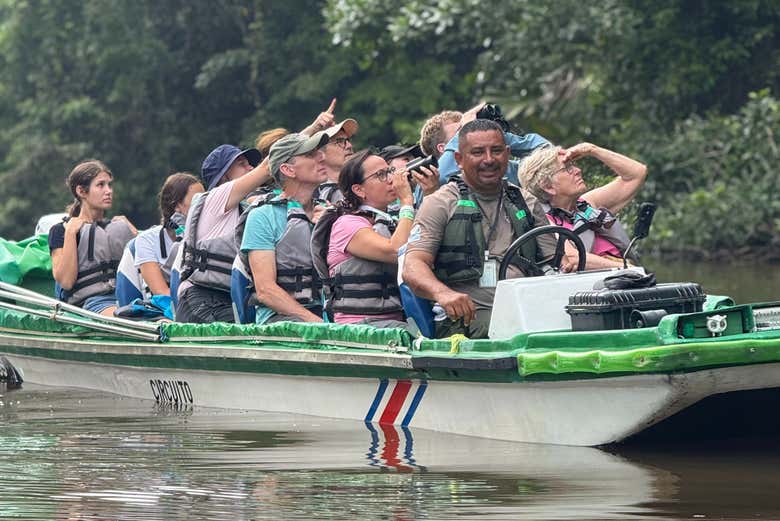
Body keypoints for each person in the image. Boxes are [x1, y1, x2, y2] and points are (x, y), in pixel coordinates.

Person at [402, 120, 556, 339]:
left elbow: (555, 261)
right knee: (518, 333)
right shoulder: (440, 202)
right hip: (469, 319)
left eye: (496, 151)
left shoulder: (525, 200)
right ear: (459, 160)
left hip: (527, 310)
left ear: (508, 153)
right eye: (477, 152)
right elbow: (412, 266)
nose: (489, 160)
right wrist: (444, 294)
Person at [311, 150, 433, 327]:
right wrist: (406, 201)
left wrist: (430, 195)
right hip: (360, 327)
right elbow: (396, 250)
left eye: (390, 171)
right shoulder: (346, 224)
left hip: (396, 321)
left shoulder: (392, 221)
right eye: (381, 175)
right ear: (358, 190)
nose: (391, 179)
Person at [238, 132, 330, 324]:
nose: (322, 156)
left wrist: (330, 226)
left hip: (328, 315)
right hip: (281, 321)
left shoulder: (329, 212)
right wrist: (318, 324)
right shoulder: (262, 217)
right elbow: (265, 290)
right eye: (310, 154)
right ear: (288, 169)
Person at [174, 144, 269, 323]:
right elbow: (267, 167)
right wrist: (315, 129)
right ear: (223, 176)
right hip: (201, 302)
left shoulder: (245, 209)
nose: (250, 168)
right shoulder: (216, 198)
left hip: (226, 301)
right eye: (242, 164)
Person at [518, 143, 648, 270]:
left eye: (573, 165)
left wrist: (592, 149)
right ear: (548, 186)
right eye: (567, 168)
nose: (578, 171)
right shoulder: (543, 221)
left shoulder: (586, 203)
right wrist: (625, 267)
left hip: (625, 275)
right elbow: (571, 259)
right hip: (602, 283)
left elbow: (637, 174)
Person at [48, 160, 137, 316]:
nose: (109, 191)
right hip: (91, 302)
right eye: (101, 185)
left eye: (109, 185)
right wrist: (70, 234)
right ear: (82, 191)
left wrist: (134, 234)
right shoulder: (61, 231)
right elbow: (66, 281)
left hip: (127, 298)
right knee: (127, 317)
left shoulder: (119, 226)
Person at [421, 103, 550, 185]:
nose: (471, 132)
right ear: (443, 148)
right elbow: (441, 176)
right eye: (461, 131)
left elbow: (546, 153)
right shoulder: (427, 183)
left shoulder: (502, 169)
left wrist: (495, 135)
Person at [128, 173, 204, 299]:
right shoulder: (147, 240)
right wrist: (183, 234)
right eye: (197, 201)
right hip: (164, 309)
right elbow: (161, 291)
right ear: (177, 206)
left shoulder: (207, 238)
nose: (204, 206)